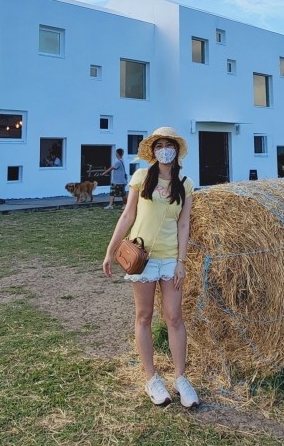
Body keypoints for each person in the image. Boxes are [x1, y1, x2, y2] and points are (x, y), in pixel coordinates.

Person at [102, 127, 200, 409]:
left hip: (170, 258)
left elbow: (184, 224)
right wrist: (110, 251)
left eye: (169, 145)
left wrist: (182, 262)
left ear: (176, 151)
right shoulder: (141, 177)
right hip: (142, 257)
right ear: (153, 151)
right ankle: (152, 378)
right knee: (144, 316)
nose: (165, 150)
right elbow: (128, 215)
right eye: (160, 145)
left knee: (174, 317)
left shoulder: (186, 182)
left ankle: (181, 378)